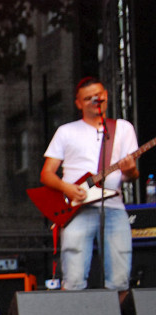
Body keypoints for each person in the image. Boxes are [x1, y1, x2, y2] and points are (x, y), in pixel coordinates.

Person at [40, 76, 139, 294]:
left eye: (99, 96)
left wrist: (130, 169)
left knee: (120, 279)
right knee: (73, 279)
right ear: (78, 103)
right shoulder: (66, 131)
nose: (95, 100)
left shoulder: (123, 129)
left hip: (113, 207)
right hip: (77, 210)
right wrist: (67, 188)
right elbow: (46, 174)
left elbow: (132, 176)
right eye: (88, 98)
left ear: (106, 96)